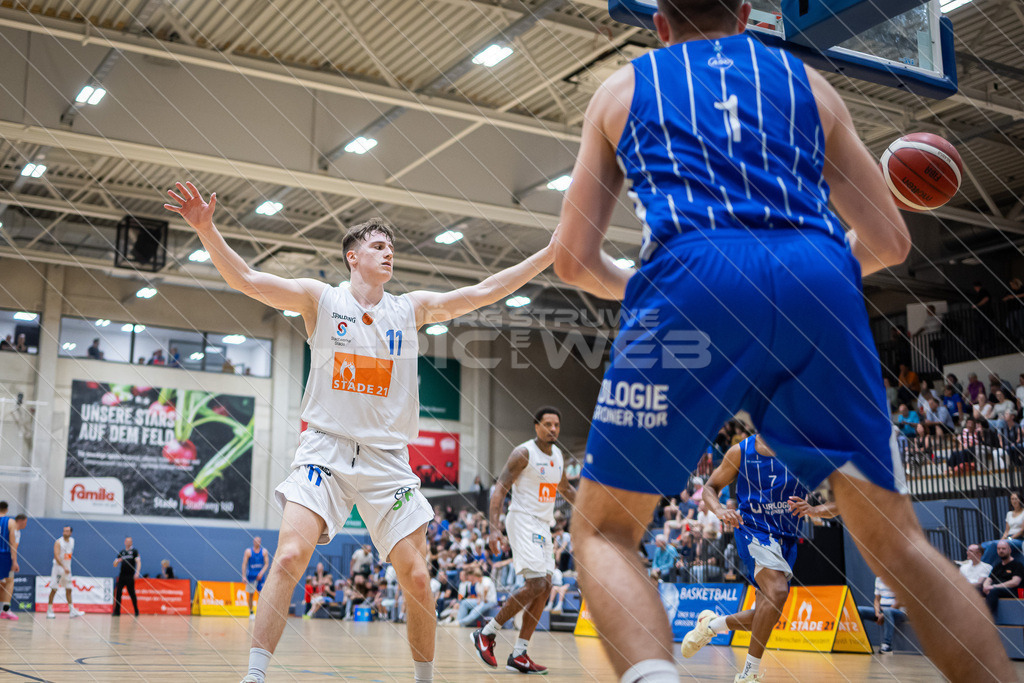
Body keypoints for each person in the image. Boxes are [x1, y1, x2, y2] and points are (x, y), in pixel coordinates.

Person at [550, 1, 1013, 681]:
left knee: (604, 530)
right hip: (816, 273)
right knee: (903, 545)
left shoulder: (624, 88)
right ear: (745, 14)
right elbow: (889, 241)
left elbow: (573, 260)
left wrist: (649, 287)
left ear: (661, 23)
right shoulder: (807, 82)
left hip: (691, 274)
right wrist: (811, 274)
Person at [164, 181, 554, 683]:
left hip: (387, 461)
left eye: (391, 246)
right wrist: (206, 228)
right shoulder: (320, 300)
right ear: (352, 257)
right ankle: (254, 676)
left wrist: (547, 254)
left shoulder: (409, 310)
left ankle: (424, 680)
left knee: (417, 577)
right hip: (324, 452)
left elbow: (482, 292)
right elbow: (245, 278)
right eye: (377, 245)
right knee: (287, 556)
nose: (388, 251)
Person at [681, 435, 837, 680]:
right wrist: (720, 510)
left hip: (786, 537)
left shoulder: (808, 450)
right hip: (751, 530)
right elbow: (710, 487)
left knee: (767, 612)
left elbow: (850, 495)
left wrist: (817, 509)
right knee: (778, 593)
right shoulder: (740, 452)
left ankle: (710, 625)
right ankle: (749, 675)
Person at [474, 406, 577, 675]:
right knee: (536, 584)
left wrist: (591, 509)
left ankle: (519, 654)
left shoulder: (557, 456)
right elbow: (500, 490)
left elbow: (565, 489)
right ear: (536, 426)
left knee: (544, 588)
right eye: (547, 424)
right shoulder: (524, 453)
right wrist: (493, 529)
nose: (553, 429)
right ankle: (486, 633)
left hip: (543, 526)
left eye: (556, 425)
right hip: (521, 519)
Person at [47, 526, 83, 618]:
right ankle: (49, 610)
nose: (65, 532)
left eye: (67, 531)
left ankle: (72, 611)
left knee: (69, 589)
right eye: (64, 531)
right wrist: (63, 567)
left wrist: (67, 567)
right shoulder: (58, 542)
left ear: (70, 532)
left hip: (67, 569)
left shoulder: (72, 541)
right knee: (54, 589)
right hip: (58, 569)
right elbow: (56, 556)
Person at [982, 540, 1024, 617]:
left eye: (1003, 548)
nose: (1001, 551)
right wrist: (985, 587)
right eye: (999, 549)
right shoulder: (997, 565)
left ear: (1010, 550)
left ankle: (986, 617)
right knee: (977, 590)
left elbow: (1015, 582)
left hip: (1012, 591)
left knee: (994, 592)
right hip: (995, 589)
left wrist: (993, 587)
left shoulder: (1017, 564)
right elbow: (989, 579)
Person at [981, 492, 1024, 565]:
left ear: (1020, 500)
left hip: (1019, 539)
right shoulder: (1009, 514)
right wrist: (1002, 540)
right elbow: (1007, 531)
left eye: (1016, 499)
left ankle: (983, 565)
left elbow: (1022, 530)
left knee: (995, 544)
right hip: (1009, 538)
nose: (1014, 501)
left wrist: (1009, 538)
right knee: (986, 544)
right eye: (1012, 499)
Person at [0, 513, 27, 621]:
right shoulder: (13, 529)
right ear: (21, 521)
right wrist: (14, 562)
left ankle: (3, 609)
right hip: (5, 558)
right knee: (10, 582)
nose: (26, 524)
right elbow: (13, 546)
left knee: (3, 583)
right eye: (25, 522)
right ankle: (5, 610)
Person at [243, 537, 270, 620]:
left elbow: (266, 564)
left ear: (260, 542)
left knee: (261, 594)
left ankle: (260, 612)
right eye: (255, 541)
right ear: (253, 542)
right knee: (251, 594)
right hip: (251, 576)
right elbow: (244, 564)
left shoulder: (264, 551)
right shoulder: (248, 551)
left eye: (258, 541)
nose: (257, 542)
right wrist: (243, 576)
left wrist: (261, 573)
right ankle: (251, 612)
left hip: (260, 576)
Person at [113, 536, 140, 617]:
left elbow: (138, 562)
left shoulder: (134, 551)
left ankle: (136, 610)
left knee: (132, 593)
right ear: (125, 542)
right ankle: (117, 612)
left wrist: (137, 573)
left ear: (131, 542)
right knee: (118, 593)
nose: (128, 542)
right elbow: (114, 564)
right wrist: (117, 561)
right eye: (127, 541)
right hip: (122, 576)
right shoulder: (122, 552)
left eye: (130, 541)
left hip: (130, 576)